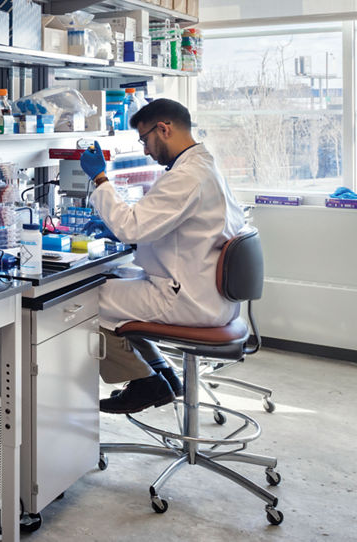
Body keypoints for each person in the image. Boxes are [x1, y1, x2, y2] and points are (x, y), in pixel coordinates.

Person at [78, 98, 251, 414]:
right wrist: (118, 229)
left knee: (83, 303)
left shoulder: (185, 176)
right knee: (117, 282)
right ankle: (163, 373)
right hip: (207, 293)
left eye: (145, 139)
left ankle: (145, 383)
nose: (145, 149)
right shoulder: (204, 165)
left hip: (187, 299)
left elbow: (131, 228)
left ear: (164, 129)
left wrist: (100, 180)